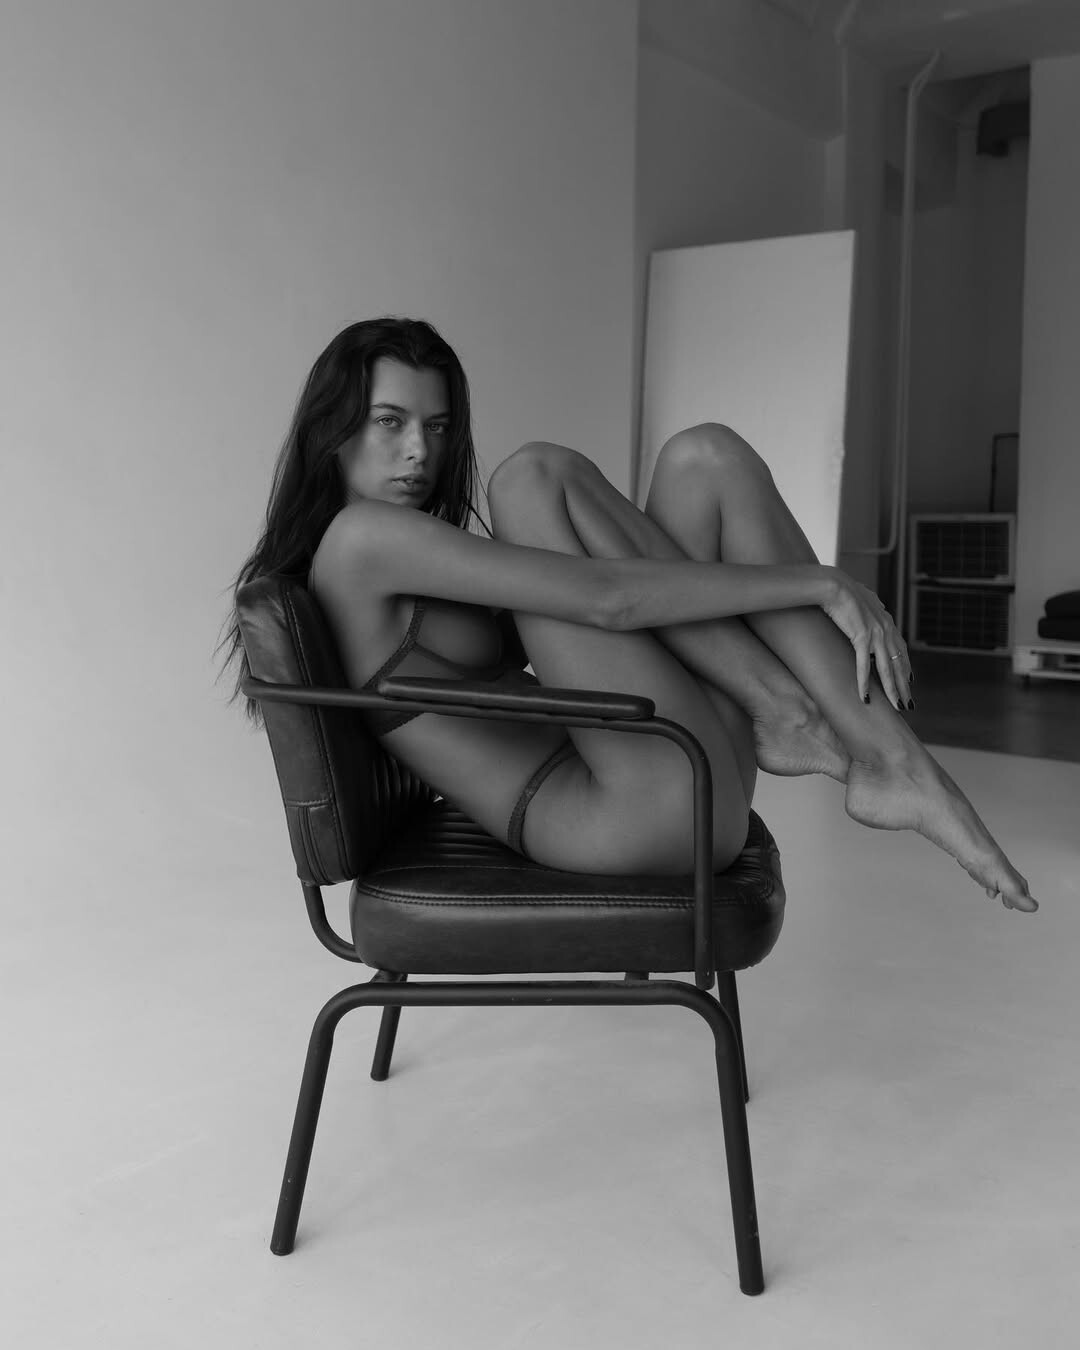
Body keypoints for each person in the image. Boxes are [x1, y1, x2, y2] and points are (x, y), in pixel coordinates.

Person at [217, 317, 1036, 911]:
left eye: (435, 426)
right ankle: (807, 718)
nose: (420, 453)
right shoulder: (360, 542)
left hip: (670, 771)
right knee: (531, 477)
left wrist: (812, 585)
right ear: (333, 431)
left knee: (704, 458)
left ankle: (869, 748)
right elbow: (609, 601)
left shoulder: (405, 543)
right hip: (637, 815)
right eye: (389, 423)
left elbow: (609, 598)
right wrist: (820, 583)